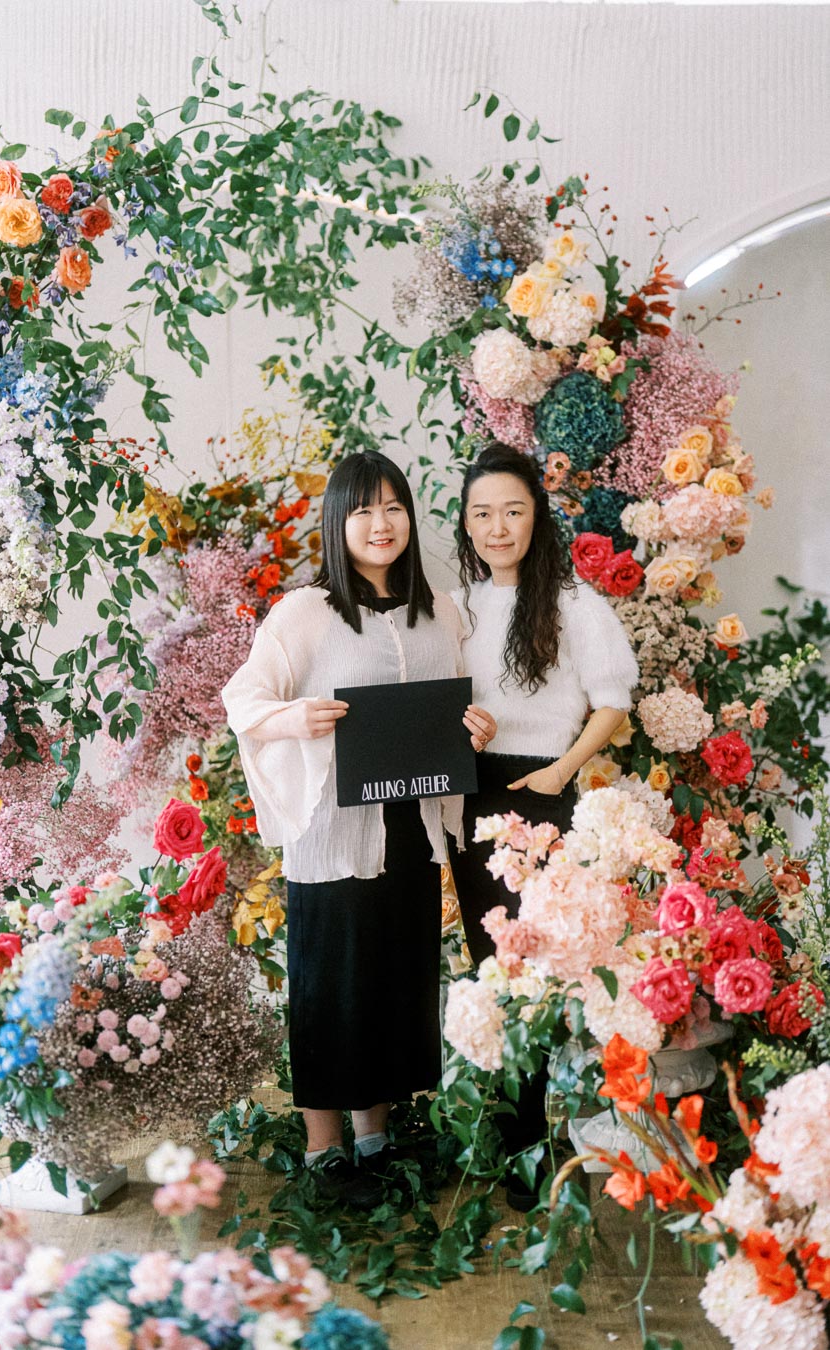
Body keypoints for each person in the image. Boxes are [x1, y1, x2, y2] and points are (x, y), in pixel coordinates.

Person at [222, 450, 496, 1209]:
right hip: (333, 833)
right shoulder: (305, 613)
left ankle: (375, 1129)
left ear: (410, 516)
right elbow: (243, 699)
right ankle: (323, 1143)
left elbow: (460, 706)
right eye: (363, 510)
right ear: (337, 523)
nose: (381, 524)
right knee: (329, 981)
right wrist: (293, 717)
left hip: (412, 827)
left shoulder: (439, 609)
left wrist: (473, 729)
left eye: (393, 507)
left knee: (393, 975)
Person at [448, 443, 639, 1206]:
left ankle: (537, 1138)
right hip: (471, 789)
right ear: (466, 523)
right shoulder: (458, 604)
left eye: (513, 511)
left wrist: (562, 771)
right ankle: (508, 1124)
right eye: (482, 513)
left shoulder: (573, 603)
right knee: (487, 962)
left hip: (540, 791)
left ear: (537, 518)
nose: (498, 527)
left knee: (536, 968)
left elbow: (614, 700)